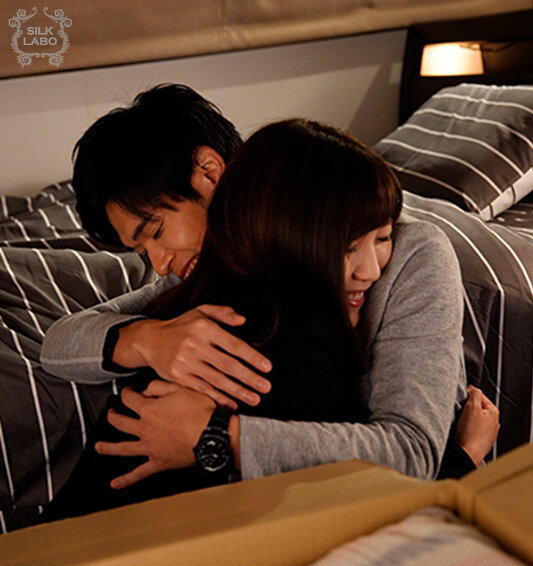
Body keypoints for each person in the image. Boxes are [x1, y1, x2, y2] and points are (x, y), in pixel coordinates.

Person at [41, 119, 499, 522]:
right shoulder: (221, 288)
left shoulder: (405, 259)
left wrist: (216, 437)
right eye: (142, 252)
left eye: (157, 231)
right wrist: (148, 340)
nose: (159, 266)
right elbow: (59, 342)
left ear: (210, 173)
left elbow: (408, 453)